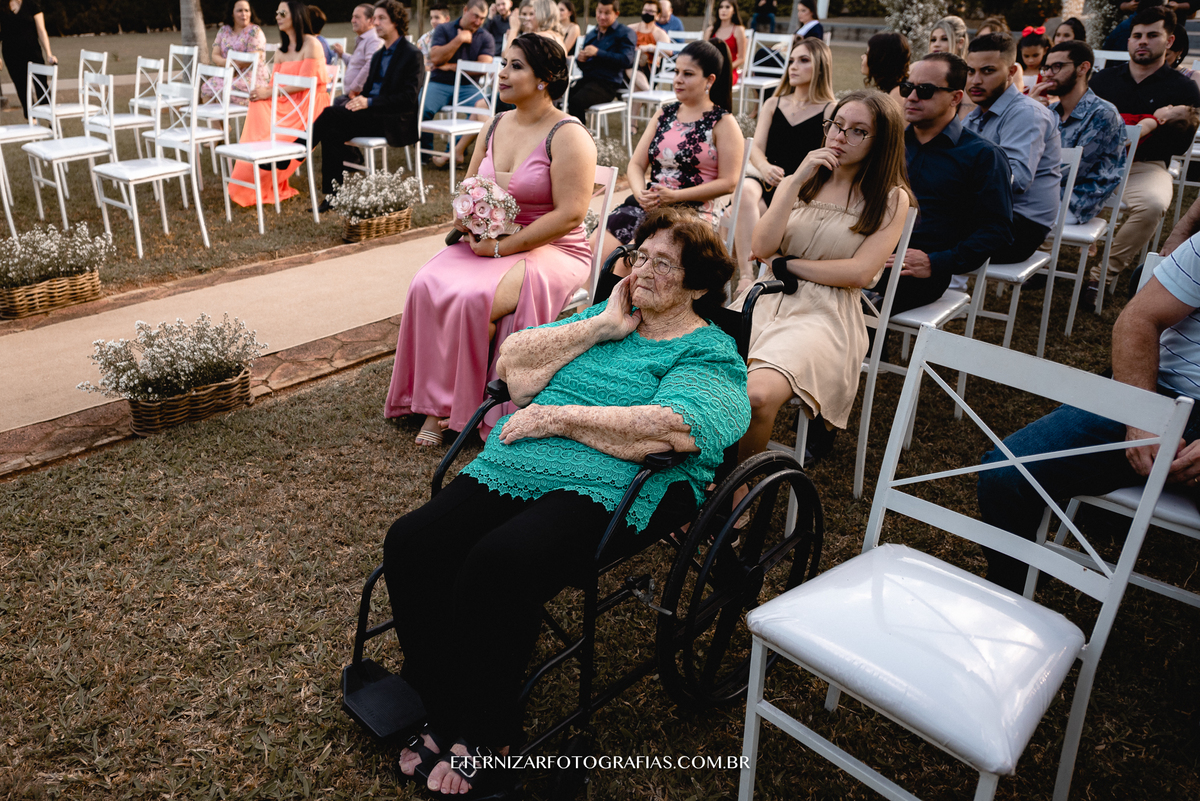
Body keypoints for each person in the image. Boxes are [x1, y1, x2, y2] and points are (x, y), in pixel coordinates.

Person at [387, 208, 750, 796]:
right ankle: (443, 702)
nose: (642, 271)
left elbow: (673, 429)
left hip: (619, 483)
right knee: (412, 542)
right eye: (640, 257)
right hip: (524, 460)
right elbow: (515, 368)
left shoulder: (709, 352)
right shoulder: (604, 320)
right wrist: (598, 328)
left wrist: (561, 418)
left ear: (699, 286)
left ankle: (488, 734)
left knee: (499, 561)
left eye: (665, 263)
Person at [385, 34, 598, 446]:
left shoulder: (568, 134)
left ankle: (450, 408)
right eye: (504, 63)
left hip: (551, 247)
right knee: (425, 283)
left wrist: (502, 246)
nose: (502, 73)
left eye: (516, 66)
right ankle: (431, 396)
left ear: (546, 78)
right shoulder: (496, 123)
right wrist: (467, 220)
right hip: (488, 241)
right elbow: (469, 188)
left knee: (475, 299)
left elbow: (570, 214)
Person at [977, 222, 1200, 594]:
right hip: (1159, 390)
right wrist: (1141, 413)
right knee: (1006, 475)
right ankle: (1014, 589)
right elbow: (1138, 319)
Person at [731, 90, 913, 466]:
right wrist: (794, 181)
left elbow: (860, 273)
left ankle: (738, 491)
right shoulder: (807, 181)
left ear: (882, 142)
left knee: (757, 395)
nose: (839, 137)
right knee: (697, 370)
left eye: (857, 131)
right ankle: (696, 472)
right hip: (766, 300)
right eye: (836, 126)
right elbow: (762, 246)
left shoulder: (892, 199)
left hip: (826, 317)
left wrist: (787, 264)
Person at [878, 53, 1013, 315]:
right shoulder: (891, 144)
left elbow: (998, 230)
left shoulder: (982, 155)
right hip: (866, 253)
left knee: (852, 305)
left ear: (956, 97)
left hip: (918, 270)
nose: (912, 97)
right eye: (908, 88)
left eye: (925, 90)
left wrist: (936, 261)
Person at [1087, 5, 1200, 306]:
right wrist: (1151, 123)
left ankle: (1101, 275)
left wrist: (1132, 134)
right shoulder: (1102, 82)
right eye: (1137, 35)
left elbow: (1177, 145)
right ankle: (1043, 260)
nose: (1142, 41)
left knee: (1153, 204)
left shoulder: (1183, 88)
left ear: (1170, 41)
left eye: (1152, 35)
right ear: (1128, 40)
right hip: (1097, 166)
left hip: (1146, 167)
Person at [597, 39, 745, 267]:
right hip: (650, 203)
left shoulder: (723, 123)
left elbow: (729, 182)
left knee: (628, 260)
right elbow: (636, 165)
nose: (678, 79)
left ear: (710, 80)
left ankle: (619, 302)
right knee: (596, 247)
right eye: (676, 71)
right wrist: (640, 194)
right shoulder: (664, 114)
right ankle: (595, 304)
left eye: (688, 74)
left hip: (692, 212)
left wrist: (675, 196)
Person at [733, 37, 835, 286]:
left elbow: (828, 156)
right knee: (745, 191)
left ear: (820, 66)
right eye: (791, 61)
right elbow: (756, 147)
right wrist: (765, 167)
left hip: (801, 188)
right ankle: (746, 277)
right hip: (766, 178)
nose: (793, 66)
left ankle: (763, 274)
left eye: (803, 61)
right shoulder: (774, 103)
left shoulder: (831, 110)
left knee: (754, 212)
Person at [312, 0, 423, 208]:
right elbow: (367, 88)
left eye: (381, 18)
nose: (376, 23)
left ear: (396, 22)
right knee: (331, 132)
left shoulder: (412, 54)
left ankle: (299, 149)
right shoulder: (380, 54)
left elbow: (408, 97)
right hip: (371, 114)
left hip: (394, 119)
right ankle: (334, 196)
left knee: (328, 114)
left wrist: (369, 102)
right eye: (374, 18)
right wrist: (358, 100)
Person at [964, 33, 1062, 265]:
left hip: (1019, 226)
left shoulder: (1027, 113)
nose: (975, 80)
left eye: (987, 71)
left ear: (1010, 72)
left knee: (921, 233)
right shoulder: (974, 117)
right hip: (985, 216)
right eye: (970, 71)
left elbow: (1015, 180)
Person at [229, 0, 329, 208]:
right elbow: (275, 83)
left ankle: (270, 162)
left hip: (310, 104)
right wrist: (263, 93)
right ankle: (256, 160)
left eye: (283, 13)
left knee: (269, 111)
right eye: (277, 13)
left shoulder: (311, 43)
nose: (278, 16)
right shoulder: (282, 50)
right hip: (287, 101)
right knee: (257, 104)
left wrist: (269, 91)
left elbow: (306, 83)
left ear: (297, 16)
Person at [1031, 40, 1126, 225]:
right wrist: (1030, 112)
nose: (1048, 74)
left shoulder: (1103, 114)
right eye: (1046, 68)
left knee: (1003, 215)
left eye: (1057, 67)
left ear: (1083, 68)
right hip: (1043, 193)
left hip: (1076, 201)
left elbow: (1072, 170)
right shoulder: (1050, 111)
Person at [423, 0, 496, 166]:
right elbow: (435, 58)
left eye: (482, 18)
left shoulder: (486, 37)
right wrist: (458, 40)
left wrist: (450, 66)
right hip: (439, 83)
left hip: (467, 86)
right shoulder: (444, 29)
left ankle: (454, 152)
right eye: (475, 16)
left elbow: (482, 67)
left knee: (483, 106)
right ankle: (426, 155)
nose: (478, 22)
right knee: (423, 108)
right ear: (465, 10)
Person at [566, 0, 636, 123]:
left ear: (616, 13)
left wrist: (598, 53)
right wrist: (581, 60)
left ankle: (581, 138)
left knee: (576, 102)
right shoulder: (592, 34)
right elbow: (584, 67)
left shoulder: (625, 33)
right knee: (561, 96)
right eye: (599, 12)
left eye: (607, 13)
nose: (602, 16)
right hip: (587, 80)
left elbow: (627, 60)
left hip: (608, 84)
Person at [207, 0, 272, 106]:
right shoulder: (224, 30)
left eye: (247, 10)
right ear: (231, 13)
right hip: (230, 76)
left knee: (221, 88)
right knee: (207, 88)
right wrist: (229, 63)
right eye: (239, 11)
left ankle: (225, 122)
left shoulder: (255, 31)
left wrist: (233, 64)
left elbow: (254, 56)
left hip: (252, 78)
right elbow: (215, 55)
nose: (244, 14)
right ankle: (224, 123)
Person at [0, 0, 56, 119]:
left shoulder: (32, 4)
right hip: (11, 55)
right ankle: (32, 119)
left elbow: (41, 31)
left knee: (41, 85)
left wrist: (49, 53)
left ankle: (50, 118)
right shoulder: (2, 5)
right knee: (22, 87)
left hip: (33, 52)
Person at [332, 3, 384, 105]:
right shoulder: (363, 39)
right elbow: (356, 63)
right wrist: (342, 54)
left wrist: (355, 87)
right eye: (352, 17)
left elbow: (371, 65)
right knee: (334, 105)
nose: (353, 21)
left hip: (361, 97)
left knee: (332, 113)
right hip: (352, 95)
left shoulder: (374, 40)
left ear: (371, 20)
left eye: (357, 17)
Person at [703, 0, 747, 85]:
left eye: (727, 7)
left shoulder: (738, 30)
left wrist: (725, 68)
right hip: (711, 69)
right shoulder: (710, 30)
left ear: (734, 11)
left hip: (729, 71)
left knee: (717, 81)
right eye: (721, 7)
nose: (723, 10)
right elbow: (704, 54)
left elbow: (741, 58)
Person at [861, 31, 909, 105]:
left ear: (880, 59)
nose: (862, 57)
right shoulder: (891, 88)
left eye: (867, 53)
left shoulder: (896, 95)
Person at [631, 1, 671, 90]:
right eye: (645, 10)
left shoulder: (660, 33)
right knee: (629, 64)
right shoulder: (631, 29)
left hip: (649, 70)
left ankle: (647, 93)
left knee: (635, 86)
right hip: (630, 67)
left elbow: (668, 52)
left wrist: (650, 48)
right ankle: (649, 92)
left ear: (658, 15)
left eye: (651, 11)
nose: (647, 13)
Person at [417, 4, 451, 71]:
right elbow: (422, 66)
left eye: (437, 18)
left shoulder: (455, 37)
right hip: (432, 77)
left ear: (447, 19)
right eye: (431, 18)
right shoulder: (424, 39)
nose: (433, 21)